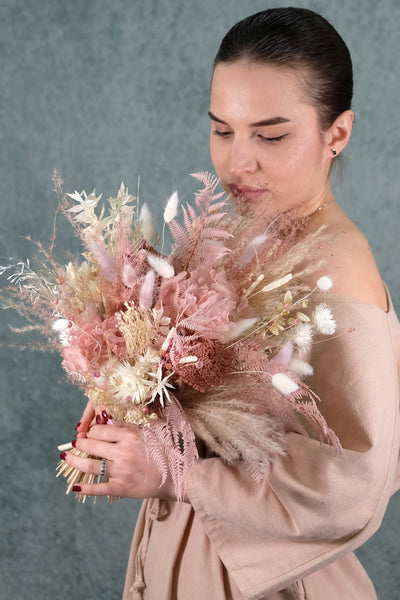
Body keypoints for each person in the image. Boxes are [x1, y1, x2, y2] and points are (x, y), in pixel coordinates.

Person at [63, 7, 400, 599]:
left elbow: (355, 483)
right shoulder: (255, 233)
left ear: (337, 134)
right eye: (222, 129)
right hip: (196, 559)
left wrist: (172, 469)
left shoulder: (337, 264)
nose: (237, 162)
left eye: (270, 135)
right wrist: (130, 400)